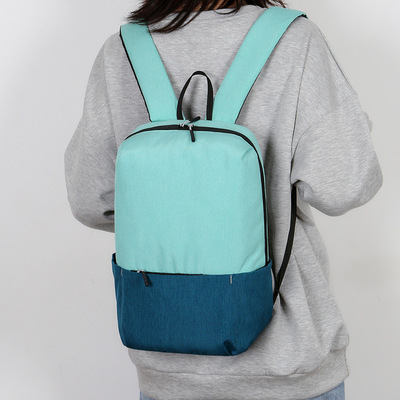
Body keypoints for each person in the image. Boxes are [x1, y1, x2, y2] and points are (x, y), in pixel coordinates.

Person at [64, 0, 383, 399]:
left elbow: (90, 199)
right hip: (287, 368)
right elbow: (346, 186)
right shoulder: (295, 41)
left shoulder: (122, 52)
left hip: (168, 366)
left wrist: (172, 215)